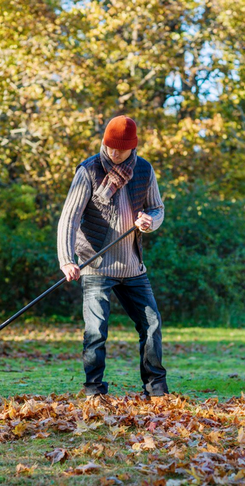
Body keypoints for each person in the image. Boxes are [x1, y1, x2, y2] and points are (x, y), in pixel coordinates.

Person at [57, 115, 168, 400]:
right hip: (95, 265)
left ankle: (155, 389)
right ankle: (94, 390)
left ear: (133, 146)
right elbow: (69, 218)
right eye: (109, 146)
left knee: (152, 324)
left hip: (133, 267)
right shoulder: (89, 169)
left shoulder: (144, 170)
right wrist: (67, 260)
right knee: (96, 331)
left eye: (120, 148)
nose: (113, 152)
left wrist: (149, 221)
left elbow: (157, 208)